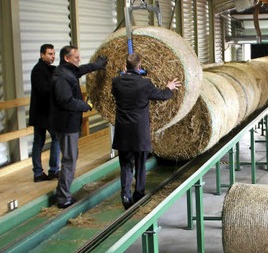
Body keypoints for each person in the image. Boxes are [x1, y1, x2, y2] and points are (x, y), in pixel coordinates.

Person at [111, 52, 181, 209]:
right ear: (140, 66)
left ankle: (125, 194)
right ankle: (139, 194)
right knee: (140, 163)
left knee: (125, 165)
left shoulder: (116, 82)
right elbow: (162, 96)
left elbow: (115, 94)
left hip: (123, 132)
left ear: (125, 66)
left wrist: (123, 75)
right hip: (139, 132)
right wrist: (169, 88)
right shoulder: (145, 84)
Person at [51, 45, 107, 208]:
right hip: (66, 124)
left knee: (70, 158)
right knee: (69, 160)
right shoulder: (61, 77)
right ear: (66, 58)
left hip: (70, 123)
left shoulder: (68, 71)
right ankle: (63, 198)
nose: (79, 59)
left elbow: (80, 69)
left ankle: (62, 192)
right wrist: (85, 105)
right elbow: (65, 101)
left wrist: (96, 66)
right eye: (76, 57)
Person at [29, 43, 59, 182]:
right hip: (42, 113)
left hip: (46, 113)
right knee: (42, 141)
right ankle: (41, 172)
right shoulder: (38, 71)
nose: (53, 56)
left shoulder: (51, 69)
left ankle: (45, 171)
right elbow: (43, 92)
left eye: (53, 54)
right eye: (50, 54)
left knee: (44, 141)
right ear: (42, 55)